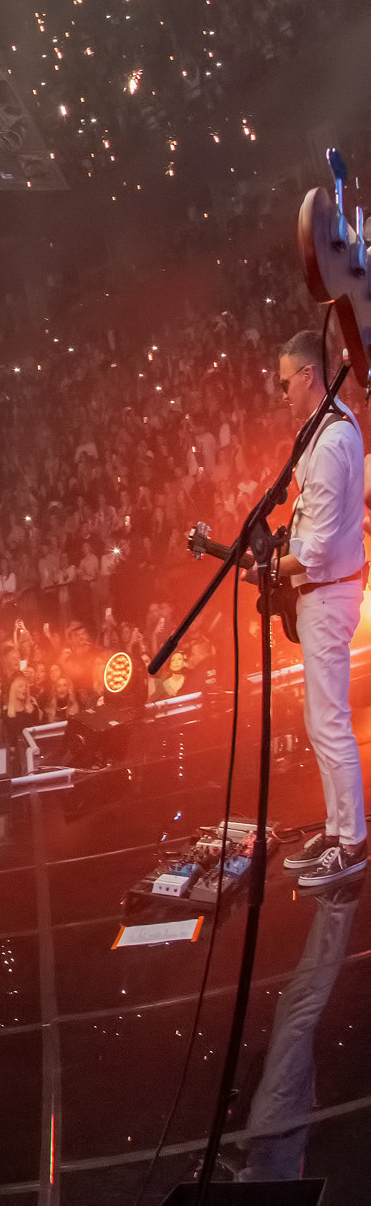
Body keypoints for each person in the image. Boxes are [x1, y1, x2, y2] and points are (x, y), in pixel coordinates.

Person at [276, 329, 368, 891]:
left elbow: (319, 545)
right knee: (319, 721)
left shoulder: (331, 440)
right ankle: (336, 831)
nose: (282, 392)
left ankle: (352, 843)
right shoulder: (319, 432)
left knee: (330, 721)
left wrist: (271, 566)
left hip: (329, 593)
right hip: (322, 591)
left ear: (309, 375)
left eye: (286, 381)